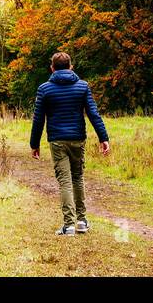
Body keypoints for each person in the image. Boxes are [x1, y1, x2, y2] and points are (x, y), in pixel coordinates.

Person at [29, 52, 111, 235]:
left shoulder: (45, 89)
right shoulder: (82, 87)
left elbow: (38, 119)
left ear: (52, 68)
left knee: (65, 181)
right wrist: (103, 137)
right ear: (71, 66)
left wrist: (34, 144)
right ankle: (81, 221)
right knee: (77, 177)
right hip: (77, 139)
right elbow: (93, 113)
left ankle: (69, 225)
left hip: (57, 141)